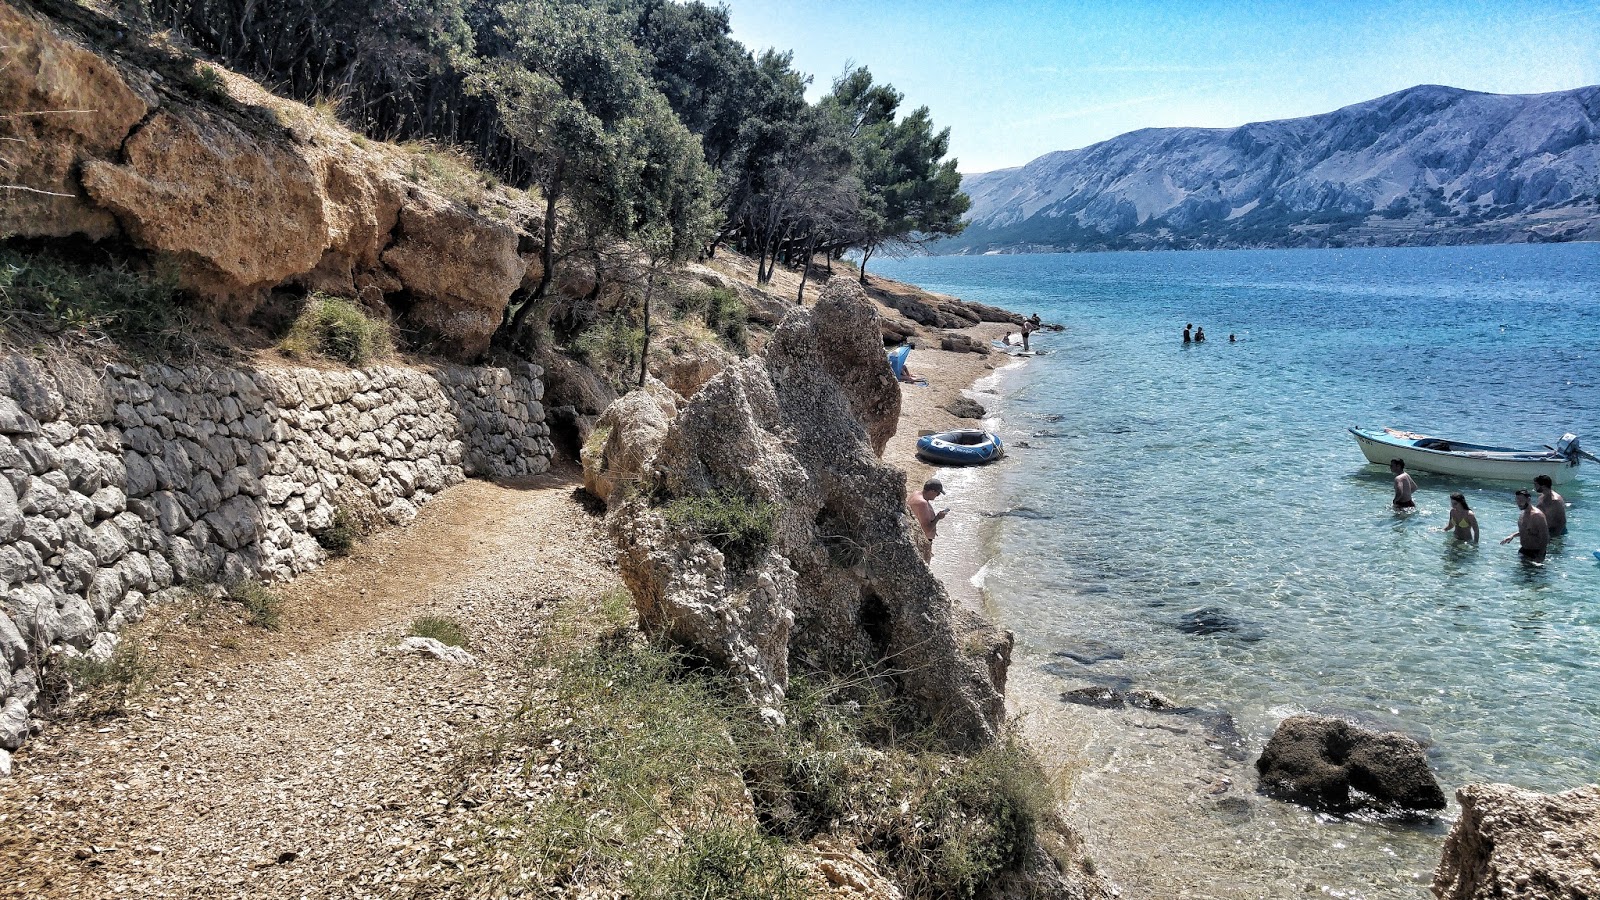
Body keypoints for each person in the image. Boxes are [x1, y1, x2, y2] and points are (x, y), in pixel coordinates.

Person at [1500, 489, 1550, 561]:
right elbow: (1527, 531)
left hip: (1535, 553)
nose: (1518, 503)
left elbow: (1545, 537)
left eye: (1521, 500)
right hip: (1524, 550)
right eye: (1517, 501)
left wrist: (1540, 556)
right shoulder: (1523, 515)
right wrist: (1512, 536)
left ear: (1528, 499)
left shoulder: (1537, 515)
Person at [907, 478, 949, 561]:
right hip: (923, 541)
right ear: (932, 491)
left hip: (915, 535)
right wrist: (938, 517)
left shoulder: (915, 494)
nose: (937, 496)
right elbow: (926, 529)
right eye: (937, 494)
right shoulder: (922, 503)